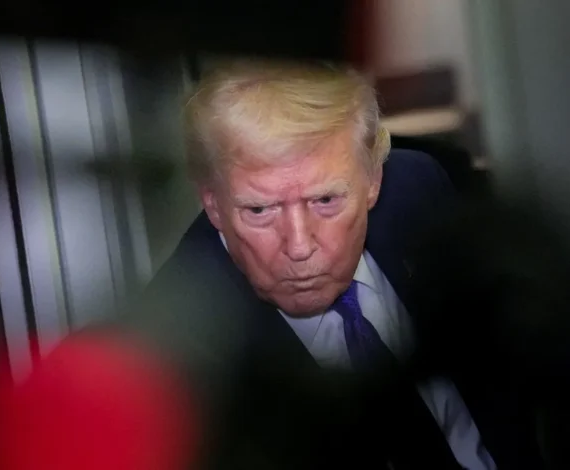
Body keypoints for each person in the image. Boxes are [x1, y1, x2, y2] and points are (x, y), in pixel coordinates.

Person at [126, 60, 546, 470]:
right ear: (213, 204)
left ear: (373, 180)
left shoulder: (419, 189)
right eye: (259, 210)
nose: (299, 246)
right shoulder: (177, 358)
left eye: (325, 200)